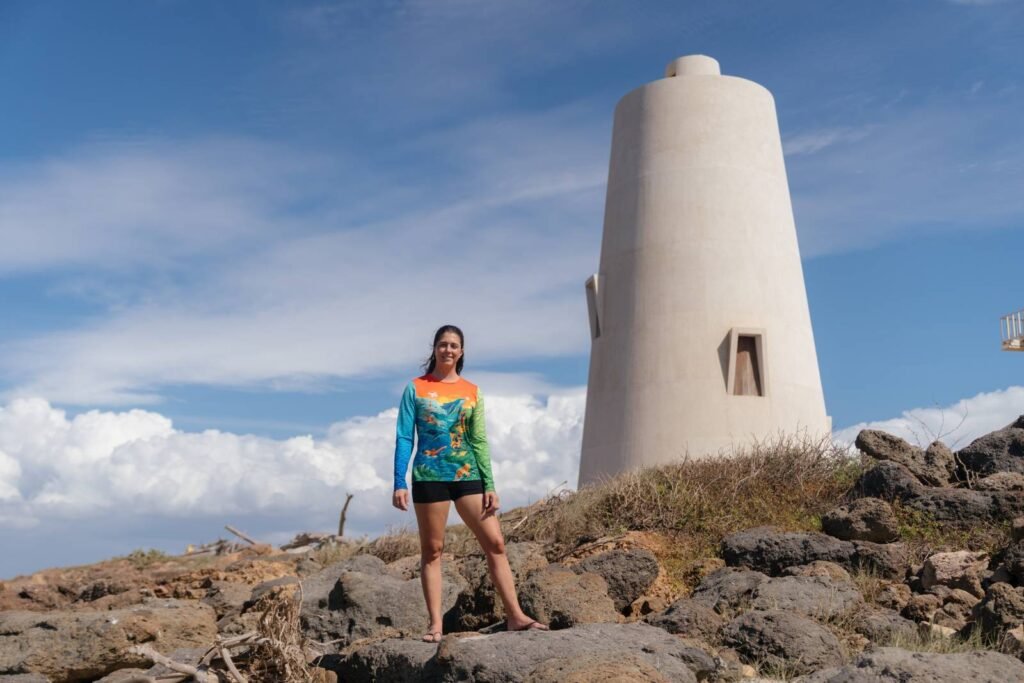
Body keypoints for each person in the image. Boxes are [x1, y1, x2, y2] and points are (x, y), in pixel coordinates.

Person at [393, 324, 550, 642]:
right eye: (443, 344)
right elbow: (405, 436)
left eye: (454, 345)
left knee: (496, 543)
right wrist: (399, 481)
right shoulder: (416, 388)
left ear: (461, 352)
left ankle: (516, 616)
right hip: (429, 477)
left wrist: (489, 484)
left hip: (469, 477)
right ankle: (436, 624)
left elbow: (478, 440)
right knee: (433, 550)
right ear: (434, 349)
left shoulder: (471, 391)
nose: (448, 350)